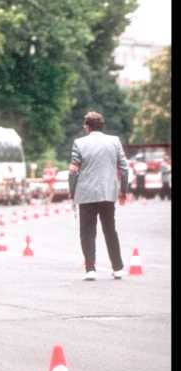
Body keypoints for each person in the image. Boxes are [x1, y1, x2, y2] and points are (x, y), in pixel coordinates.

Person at [68, 110, 128, 281]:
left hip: (86, 193)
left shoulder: (79, 143)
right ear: (102, 126)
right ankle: (117, 268)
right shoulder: (114, 141)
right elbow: (124, 168)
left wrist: (72, 191)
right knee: (110, 230)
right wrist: (123, 191)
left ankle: (90, 269)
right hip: (108, 193)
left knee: (87, 232)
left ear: (87, 127)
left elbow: (73, 170)